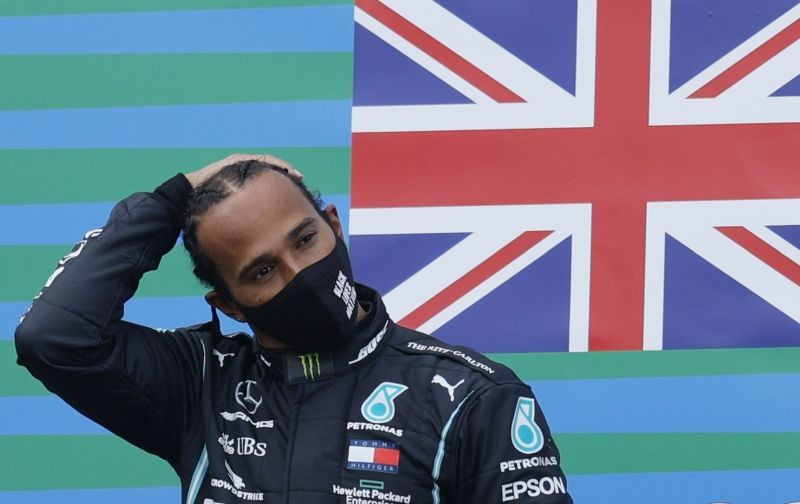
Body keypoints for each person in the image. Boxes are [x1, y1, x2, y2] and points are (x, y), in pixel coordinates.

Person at [15, 154, 573, 503]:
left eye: (305, 239)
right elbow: (55, 337)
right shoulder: (199, 384)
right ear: (229, 305)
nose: (299, 273)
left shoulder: (471, 398)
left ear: (333, 224)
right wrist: (170, 200)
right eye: (261, 271)